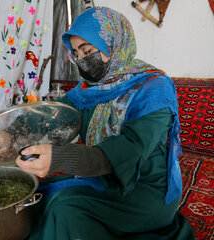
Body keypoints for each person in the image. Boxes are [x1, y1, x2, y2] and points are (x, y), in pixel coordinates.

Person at [14, 6, 195, 240]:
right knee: (41, 195)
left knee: (64, 208)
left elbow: (128, 149)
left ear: (114, 41)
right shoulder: (89, 90)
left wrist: (60, 158)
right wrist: (11, 131)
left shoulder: (154, 90)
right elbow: (51, 115)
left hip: (147, 192)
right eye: (77, 53)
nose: (82, 60)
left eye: (88, 50)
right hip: (107, 179)